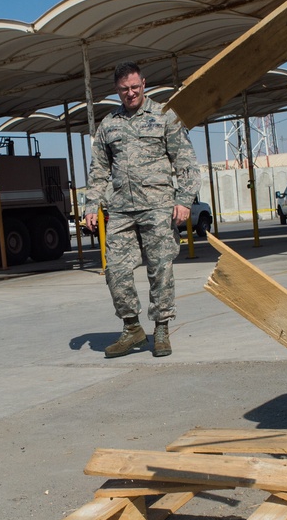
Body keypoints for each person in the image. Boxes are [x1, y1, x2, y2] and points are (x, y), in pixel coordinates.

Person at [83, 62, 200, 358]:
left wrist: (184, 200)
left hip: (158, 206)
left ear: (144, 84)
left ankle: (161, 328)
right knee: (117, 272)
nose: (130, 93)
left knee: (160, 269)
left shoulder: (164, 117)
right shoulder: (109, 124)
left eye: (135, 87)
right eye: (124, 89)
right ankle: (132, 329)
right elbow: (99, 170)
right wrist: (90, 205)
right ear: (116, 90)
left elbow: (185, 161)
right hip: (121, 209)